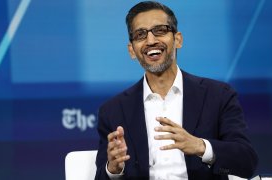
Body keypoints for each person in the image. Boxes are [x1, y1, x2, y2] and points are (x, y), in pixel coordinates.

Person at [95, 1, 258, 180]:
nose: (151, 41)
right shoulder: (113, 111)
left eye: (160, 30)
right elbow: (102, 176)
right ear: (132, 50)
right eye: (140, 34)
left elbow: (246, 161)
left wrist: (201, 147)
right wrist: (113, 169)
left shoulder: (218, 95)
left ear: (178, 39)